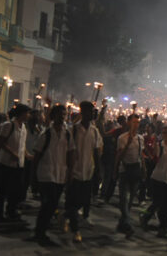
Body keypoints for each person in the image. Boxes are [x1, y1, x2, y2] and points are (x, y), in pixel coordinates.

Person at [33, 104, 74, 243]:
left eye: (64, 115)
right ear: (53, 116)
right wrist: (33, 175)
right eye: (60, 114)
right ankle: (40, 232)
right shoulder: (46, 134)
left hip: (60, 175)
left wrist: (70, 172)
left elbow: (70, 153)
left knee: (52, 204)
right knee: (48, 203)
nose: (62, 117)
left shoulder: (67, 134)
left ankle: (41, 229)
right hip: (46, 174)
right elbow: (37, 154)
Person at [63, 101, 103, 242]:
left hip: (88, 171)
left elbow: (96, 152)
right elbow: (68, 151)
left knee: (83, 200)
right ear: (83, 112)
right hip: (74, 172)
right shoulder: (73, 130)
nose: (92, 114)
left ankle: (67, 216)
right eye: (89, 111)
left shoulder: (94, 131)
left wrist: (98, 171)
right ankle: (75, 230)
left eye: (92, 112)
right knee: (73, 201)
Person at [0, 104, 31, 222]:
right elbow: (0, 142)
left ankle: (11, 210)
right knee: (2, 190)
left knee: (16, 190)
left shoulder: (24, 127)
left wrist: (26, 155)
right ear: (21, 113)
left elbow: (22, 144)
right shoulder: (8, 125)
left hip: (19, 164)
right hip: (5, 163)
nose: (28, 115)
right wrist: (12, 153)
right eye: (27, 113)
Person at [140, 125, 167, 237]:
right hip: (158, 177)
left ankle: (163, 224)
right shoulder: (159, 145)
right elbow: (155, 158)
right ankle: (146, 216)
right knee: (157, 202)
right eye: (163, 132)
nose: (165, 135)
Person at [114, 113, 144, 238]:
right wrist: (128, 144)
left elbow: (140, 155)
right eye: (133, 122)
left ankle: (122, 223)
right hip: (125, 170)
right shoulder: (122, 138)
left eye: (137, 122)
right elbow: (119, 156)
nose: (135, 125)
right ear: (128, 123)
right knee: (124, 199)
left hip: (136, 170)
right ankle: (128, 224)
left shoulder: (140, 138)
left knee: (131, 199)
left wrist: (144, 169)